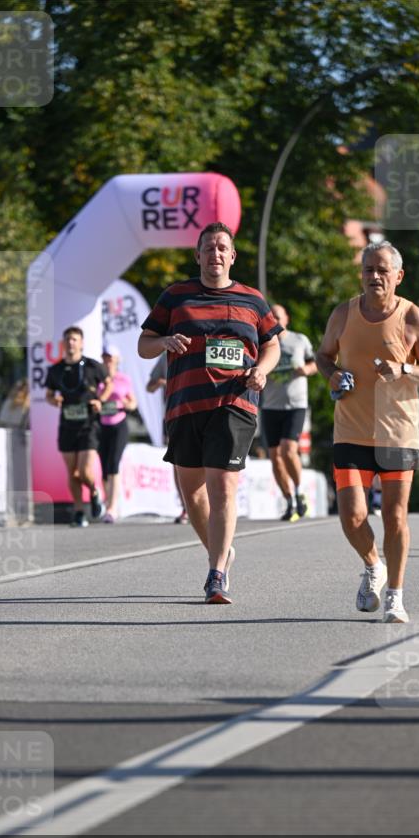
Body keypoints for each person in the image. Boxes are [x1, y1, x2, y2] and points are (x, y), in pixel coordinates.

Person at [138, 221, 281, 603]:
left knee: (222, 485)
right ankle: (221, 550)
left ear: (232, 256)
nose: (215, 254)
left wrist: (261, 371)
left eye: (222, 248)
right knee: (193, 494)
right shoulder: (176, 297)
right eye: (209, 248)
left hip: (234, 403)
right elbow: (143, 344)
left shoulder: (252, 300)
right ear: (197, 255)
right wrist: (165, 340)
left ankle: (216, 574)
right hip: (185, 404)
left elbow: (272, 345)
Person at [316, 240, 419, 624]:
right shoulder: (343, 314)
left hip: (397, 433)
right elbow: (323, 357)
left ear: (398, 276)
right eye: (368, 269)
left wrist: (405, 370)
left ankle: (395, 596)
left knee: (395, 516)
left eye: (382, 270)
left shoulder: (412, 318)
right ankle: (374, 565)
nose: (374, 276)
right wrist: (333, 373)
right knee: (352, 516)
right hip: (351, 429)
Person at [44, 326, 111, 527]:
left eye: (74, 339)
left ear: (81, 343)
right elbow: (48, 394)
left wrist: (101, 400)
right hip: (66, 425)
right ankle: (79, 511)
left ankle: (94, 491)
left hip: (88, 425)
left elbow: (109, 384)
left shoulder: (93, 366)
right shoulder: (55, 370)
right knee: (71, 472)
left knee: (84, 471)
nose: (71, 343)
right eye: (68, 340)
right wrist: (53, 400)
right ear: (64, 344)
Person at [261, 303, 317, 521]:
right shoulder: (263, 342)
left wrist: (307, 369)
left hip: (295, 404)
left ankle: (299, 490)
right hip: (270, 405)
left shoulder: (299, 340)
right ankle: (289, 500)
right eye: (270, 316)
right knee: (275, 457)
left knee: (288, 449)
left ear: (286, 319)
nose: (273, 319)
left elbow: (315, 363)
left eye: (277, 316)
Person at [146, 353, 189, 524]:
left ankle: (205, 504)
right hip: (175, 414)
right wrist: (161, 382)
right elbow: (149, 387)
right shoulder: (167, 355)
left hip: (204, 411)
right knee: (178, 462)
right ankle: (186, 507)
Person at [98, 345, 137, 523]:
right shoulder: (97, 379)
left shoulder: (124, 379)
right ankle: (107, 503)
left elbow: (133, 402)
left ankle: (112, 508)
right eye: (105, 357)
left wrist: (126, 405)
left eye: (111, 358)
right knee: (104, 467)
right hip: (101, 425)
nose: (108, 361)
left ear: (117, 360)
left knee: (114, 464)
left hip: (119, 424)